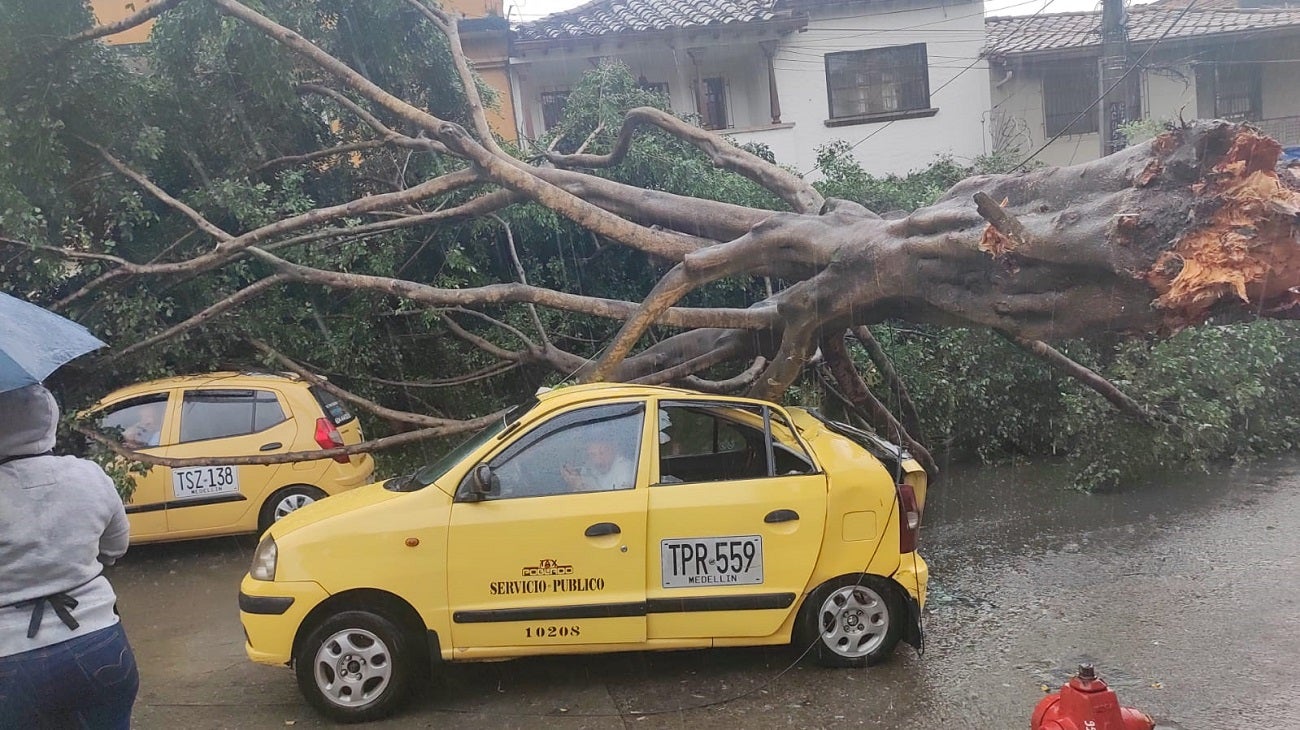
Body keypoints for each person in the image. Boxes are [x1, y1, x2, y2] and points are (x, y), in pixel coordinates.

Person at [0, 384, 139, 729]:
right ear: (49, 419)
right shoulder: (88, 474)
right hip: (99, 643)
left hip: (11, 660)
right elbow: (116, 547)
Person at [561, 439, 635, 492]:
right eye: (593, 455)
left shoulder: (626, 469)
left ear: (613, 450)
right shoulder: (589, 469)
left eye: (602, 453)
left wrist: (581, 485)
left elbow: (618, 502)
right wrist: (572, 480)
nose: (598, 460)